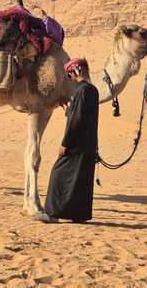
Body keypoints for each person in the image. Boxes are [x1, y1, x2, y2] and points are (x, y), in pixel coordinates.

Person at [39, 58, 100, 223]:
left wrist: (66, 143)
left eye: (70, 73)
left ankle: (52, 214)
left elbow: (77, 120)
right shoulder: (91, 90)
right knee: (80, 180)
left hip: (77, 145)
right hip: (87, 145)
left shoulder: (83, 91)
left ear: (77, 70)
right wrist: (69, 110)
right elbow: (81, 115)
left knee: (58, 173)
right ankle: (78, 215)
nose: (70, 77)